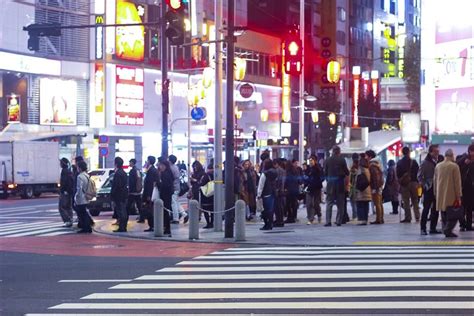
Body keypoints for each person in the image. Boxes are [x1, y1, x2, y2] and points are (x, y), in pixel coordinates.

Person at [434, 149, 463, 238]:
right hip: (451, 194)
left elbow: (434, 181)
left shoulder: (438, 166)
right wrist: (459, 196)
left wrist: (435, 193)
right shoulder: (454, 166)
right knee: (453, 215)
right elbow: (457, 183)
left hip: (440, 194)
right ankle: (447, 230)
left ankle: (445, 229)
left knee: (443, 213)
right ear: (451, 156)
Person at [418, 145, 442, 235]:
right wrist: (425, 185)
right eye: (435, 152)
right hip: (429, 188)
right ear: (431, 152)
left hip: (438, 188)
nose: (437, 153)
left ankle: (433, 228)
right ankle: (423, 228)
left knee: (436, 209)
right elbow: (419, 176)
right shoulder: (425, 163)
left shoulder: (439, 161)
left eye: (438, 151)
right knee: (426, 209)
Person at [323, 145, 350, 226]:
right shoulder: (342, 160)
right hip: (340, 184)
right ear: (339, 152)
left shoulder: (327, 160)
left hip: (330, 184)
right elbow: (347, 172)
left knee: (329, 203)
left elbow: (325, 173)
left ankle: (328, 221)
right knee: (340, 204)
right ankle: (338, 221)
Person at [396, 146, 420, 223]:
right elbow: (418, 172)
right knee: (415, 200)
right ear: (409, 152)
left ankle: (408, 217)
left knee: (406, 201)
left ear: (402, 153)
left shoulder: (400, 162)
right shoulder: (414, 162)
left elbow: (398, 174)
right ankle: (417, 216)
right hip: (414, 183)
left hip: (404, 184)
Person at [256, 159, 278, 230]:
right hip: (272, 193)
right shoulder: (275, 172)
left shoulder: (264, 174)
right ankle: (270, 224)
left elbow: (261, 185)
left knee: (264, 210)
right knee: (270, 210)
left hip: (265, 194)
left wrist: (259, 194)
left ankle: (266, 224)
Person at [457, 144, 474, 231]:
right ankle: (462, 224)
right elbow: (457, 165)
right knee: (462, 207)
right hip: (464, 187)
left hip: (471, 188)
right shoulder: (464, 158)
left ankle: (468, 225)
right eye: (472, 151)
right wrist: (465, 162)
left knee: (470, 207)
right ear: (469, 151)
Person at [366, 150, 385, 224]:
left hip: (376, 187)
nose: (366, 157)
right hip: (379, 186)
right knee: (379, 203)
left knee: (377, 204)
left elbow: (375, 177)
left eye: (367, 156)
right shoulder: (377, 163)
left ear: (370, 156)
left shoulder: (372, 165)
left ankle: (378, 219)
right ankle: (381, 218)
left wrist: (375, 188)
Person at [111, 157, 128, 232]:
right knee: (123, 210)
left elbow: (117, 185)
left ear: (116, 164)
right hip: (124, 194)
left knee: (121, 211)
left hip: (119, 195)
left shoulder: (118, 173)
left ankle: (122, 227)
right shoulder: (123, 173)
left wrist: (113, 194)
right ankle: (123, 226)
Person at [74, 161, 92, 233]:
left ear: (80, 168)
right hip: (87, 196)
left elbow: (79, 188)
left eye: (78, 167)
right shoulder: (87, 175)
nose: (77, 169)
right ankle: (87, 227)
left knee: (82, 213)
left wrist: (76, 197)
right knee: (84, 212)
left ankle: (86, 227)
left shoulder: (80, 176)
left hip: (81, 198)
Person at [157, 160, 174, 236]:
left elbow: (165, 185)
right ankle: (166, 227)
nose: (159, 166)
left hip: (165, 195)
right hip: (167, 195)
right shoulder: (168, 173)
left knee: (165, 212)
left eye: (160, 165)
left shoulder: (165, 174)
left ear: (164, 166)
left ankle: (166, 228)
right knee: (165, 212)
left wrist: (159, 184)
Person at [304, 155, 323, 224]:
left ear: (315, 161)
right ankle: (310, 218)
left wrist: (318, 182)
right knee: (309, 203)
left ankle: (319, 214)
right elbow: (305, 177)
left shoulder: (318, 169)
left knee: (316, 204)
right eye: (310, 160)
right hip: (309, 188)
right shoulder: (308, 169)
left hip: (316, 188)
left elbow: (322, 177)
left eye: (312, 160)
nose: (311, 162)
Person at [142, 156, 159, 232]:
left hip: (150, 193)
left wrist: (149, 195)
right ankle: (151, 225)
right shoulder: (151, 170)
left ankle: (152, 225)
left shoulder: (152, 170)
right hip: (149, 193)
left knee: (150, 210)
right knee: (150, 209)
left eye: (147, 160)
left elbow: (150, 184)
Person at [355, 156, 372, 225]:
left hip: (361, 190)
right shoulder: (368, 169)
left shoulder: (360, 170)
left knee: (360, 204)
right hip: (368, 189)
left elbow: (358, 180)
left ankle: (361, 220)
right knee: (365, 205)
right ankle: (365, 219)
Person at [169, 155, 185, 223]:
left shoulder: (172, 168)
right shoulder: (175, 167)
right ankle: (184, 214)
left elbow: (172, 178)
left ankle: (176, 218)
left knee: (173, 203)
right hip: (177, 187)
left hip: (174, 187)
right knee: (176, 202)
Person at [59, 158, 74, 227]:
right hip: (69, 191)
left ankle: (67, 220)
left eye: (61, 163)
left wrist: (64, 190)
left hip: (65, 192)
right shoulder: (69, 171)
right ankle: (70, 219)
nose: (60, 164)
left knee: (62, 207)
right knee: (68, 206)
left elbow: (64, 182)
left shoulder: (64, 171)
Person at [200, 163, 215, 229]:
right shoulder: (216, 175)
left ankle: (208, 223)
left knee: (205, 210)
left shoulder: (206, 175)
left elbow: (202, 183)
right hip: (213, 194)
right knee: (212, 210)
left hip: (206, 194)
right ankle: (212, 223)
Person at [273, 158, 287, 227]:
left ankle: (279, 221)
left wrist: (277, 189)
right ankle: (280, 220)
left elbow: (278, 181)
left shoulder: (278, 171)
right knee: (280, 207)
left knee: (277, 207)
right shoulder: (283, 171)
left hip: (278, 191)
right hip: (282, 191)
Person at [348, 153, 360, 221]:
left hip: (353, 187)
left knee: (353, 203)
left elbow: (350, 179)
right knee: (358, 203)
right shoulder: (361, 166)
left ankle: (355, 216)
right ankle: (358, 215)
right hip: (360, 187)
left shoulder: (352, 168)